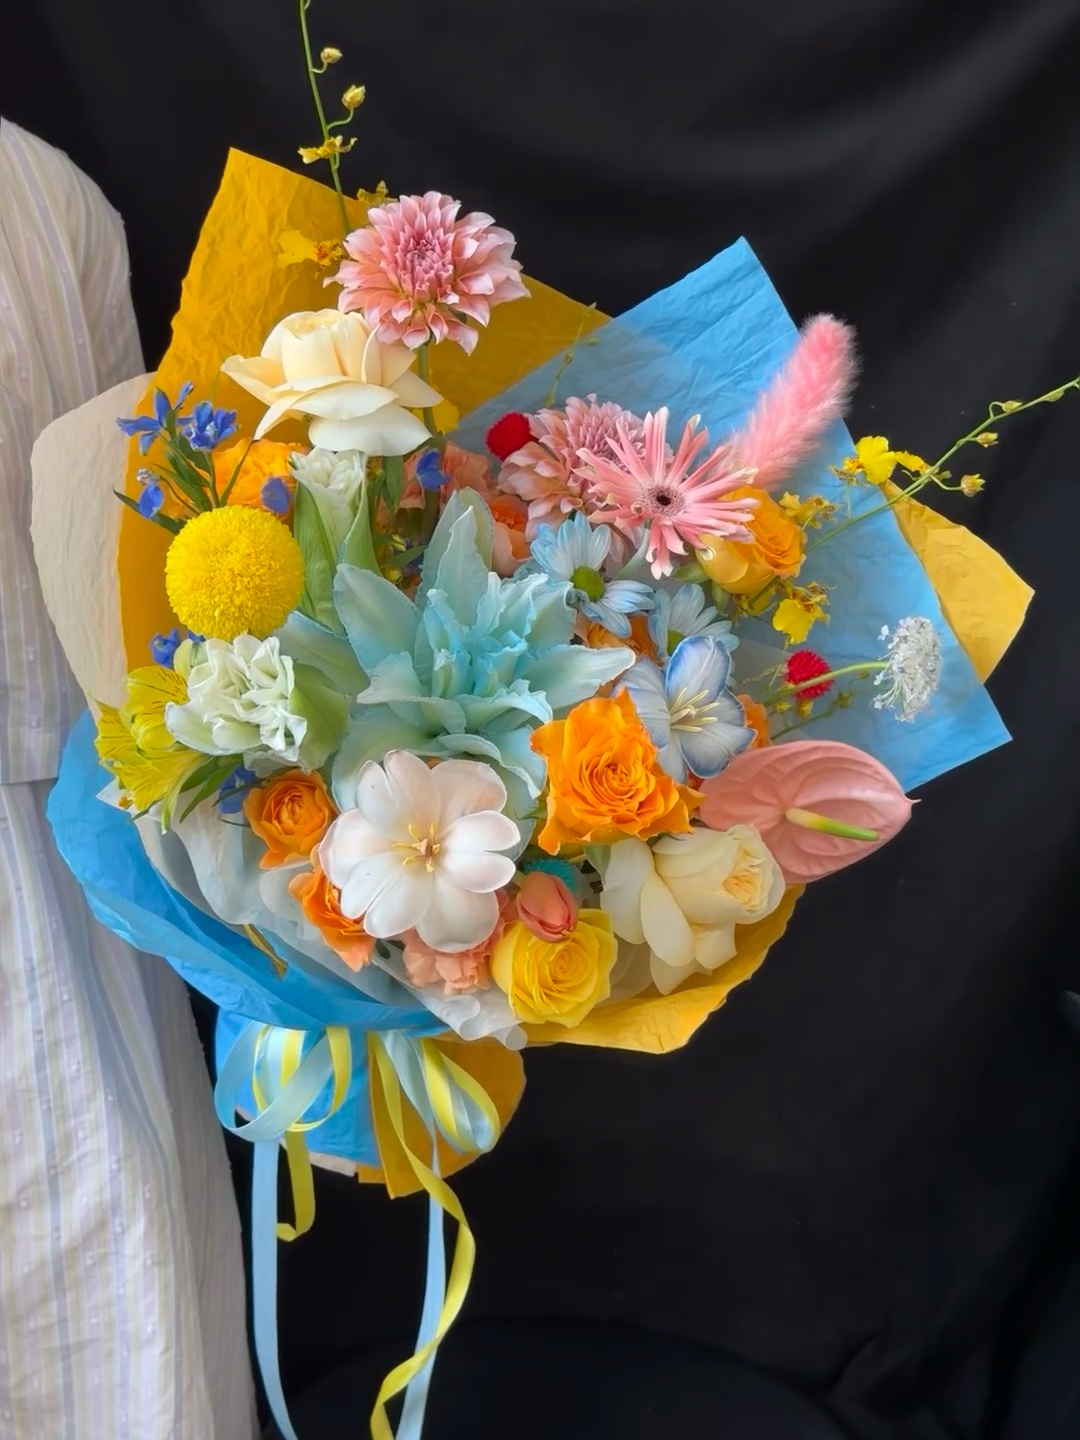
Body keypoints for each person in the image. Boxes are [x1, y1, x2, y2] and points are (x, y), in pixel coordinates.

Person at [0, 117, 257, 1440]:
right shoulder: (59, 196)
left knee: (98, 1268)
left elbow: (124, 561)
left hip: (78, 841)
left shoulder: (59, 201)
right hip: (87, 831)